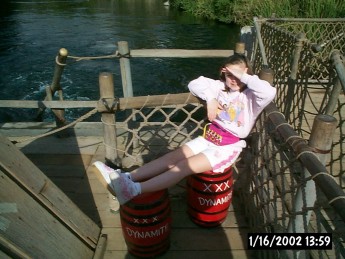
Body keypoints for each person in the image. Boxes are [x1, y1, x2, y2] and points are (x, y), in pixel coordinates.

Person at [93, 54, 276, 205]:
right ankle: (126, 178)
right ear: (223, 73)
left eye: (238, 74)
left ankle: (133, 190)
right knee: (171, 157)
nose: (233, 79)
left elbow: (269, 92)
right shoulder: (220, 87)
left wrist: (241, 74)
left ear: (246, 73)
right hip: (209, 137)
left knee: (181, 167)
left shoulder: (252, 96)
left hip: (226, 148)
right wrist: (211, 99)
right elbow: (195, 83)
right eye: (229, 74)